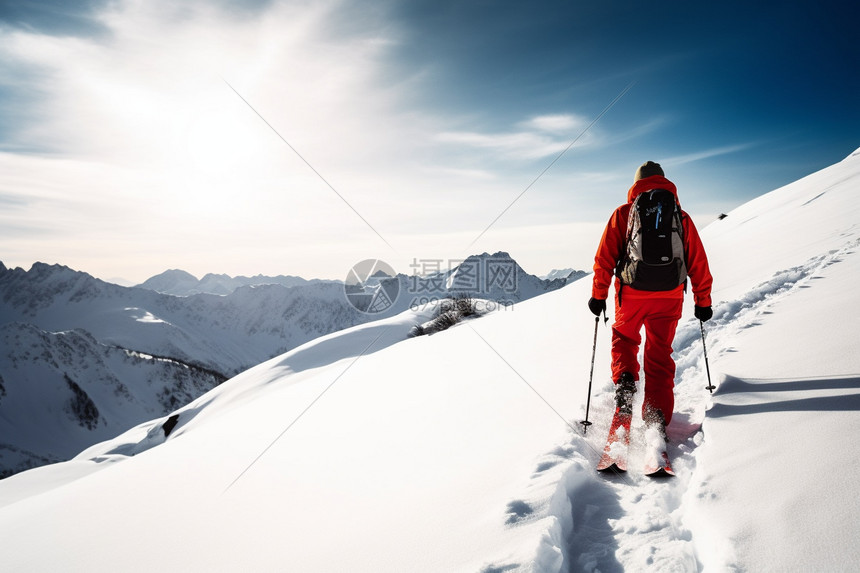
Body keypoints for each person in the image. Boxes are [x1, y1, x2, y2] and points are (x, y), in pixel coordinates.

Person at [588, 161, 713, 434]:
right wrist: (703, 301)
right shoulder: (681, 217)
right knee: (659, 354)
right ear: (665, 182)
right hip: (669, 297)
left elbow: (604, 259)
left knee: (625, 339)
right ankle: (656, 415)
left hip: (631, 294)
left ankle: (624, 390)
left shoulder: (624, 213)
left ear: (635, 184)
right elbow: (698, 263)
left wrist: (598, 296)